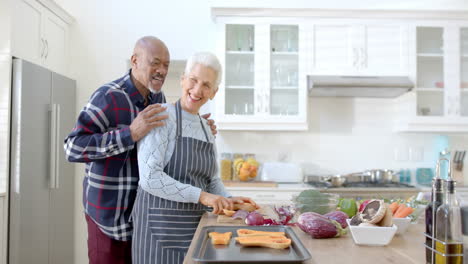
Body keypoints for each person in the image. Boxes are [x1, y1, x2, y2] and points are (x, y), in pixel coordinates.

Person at [64, 36, 217, 264]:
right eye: (155, 63)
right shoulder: (108, 96)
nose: (162, 70)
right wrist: (130, 134)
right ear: (135, 60)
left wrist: (192, 123)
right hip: (108, 216)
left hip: (141, 220)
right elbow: (73, 147)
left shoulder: (158, 98)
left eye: (166, 65)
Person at [132, 52, 257, 264]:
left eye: (206, 85)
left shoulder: (206, 128)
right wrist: (203, 196)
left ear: (214, 92)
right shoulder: (161, 116)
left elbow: (211, 180)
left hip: (194, 229)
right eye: (194, 80)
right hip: (158, 230)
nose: (198, 90)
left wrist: (227, 199)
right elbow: (150, 178)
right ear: (182, 80)